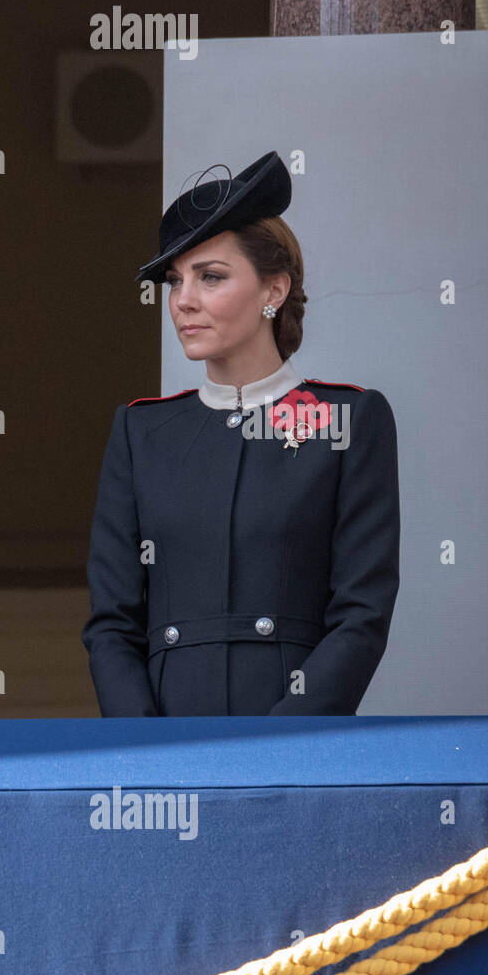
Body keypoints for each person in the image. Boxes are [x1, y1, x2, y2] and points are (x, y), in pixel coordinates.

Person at [82, 152, 399, 716]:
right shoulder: (141, 429)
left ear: (273, 290)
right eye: (175, 281)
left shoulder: (350, 417)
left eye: (211, 277)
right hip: (165, 739)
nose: (183, 300)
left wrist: (280, 746)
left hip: (294, 735)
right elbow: (112, 624)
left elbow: (361, 615)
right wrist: (145, 747)